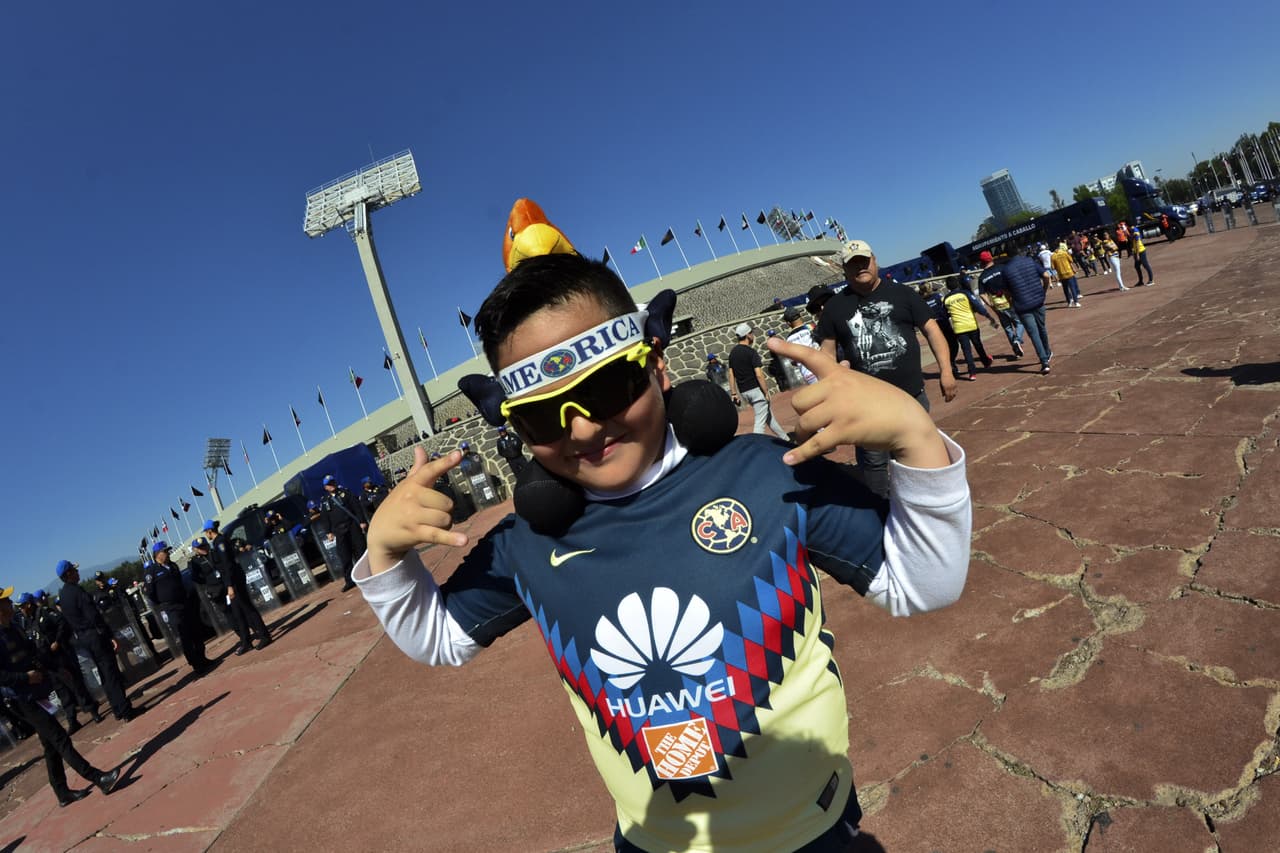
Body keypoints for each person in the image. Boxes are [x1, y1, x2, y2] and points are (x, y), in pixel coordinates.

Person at [353, 251, 971, 852]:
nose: (584, 429)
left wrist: (915, 438)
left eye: (608, 386)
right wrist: (385, 554)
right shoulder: (526, 543)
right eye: (542, 418)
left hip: (812, 831)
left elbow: (923, 583)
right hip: (653, 843)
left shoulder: (767, 474)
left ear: (657, 369)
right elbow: (438, 637)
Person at [814, 239, 958, 498]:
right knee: (874, 463)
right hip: (866, 404)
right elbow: (825, 355)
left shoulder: (902, 293)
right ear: (844, 270)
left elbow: (932, 330)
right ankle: (880, 511)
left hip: (911, 396)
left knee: (917, 450)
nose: (860, 267)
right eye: (852, 264)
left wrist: (946, 370)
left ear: (875, 260)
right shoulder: (835, 307)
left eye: (864, 261)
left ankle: (926, 501)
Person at [1, 587, 121, 808]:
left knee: (50, 745)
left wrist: (54, 668)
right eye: (5, 601)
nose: (9, 603)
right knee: (60, 738)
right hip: (21, 700)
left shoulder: (14, 628)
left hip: (35, 692)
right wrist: (25, 677)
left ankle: (61, 792)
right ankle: (98, 778)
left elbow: (33, 653)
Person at [55, 561, 137, 721]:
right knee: (110, 671)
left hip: (83, 637)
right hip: (95, 635)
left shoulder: (63, 596)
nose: (77, 573)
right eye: (74, 570)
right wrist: (108, 634)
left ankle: (117, 708)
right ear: (68, 574)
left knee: (104, 673)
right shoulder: (78, 592)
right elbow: (93, 615)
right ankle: (125, 709)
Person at [17, 592, 100, 733]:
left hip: (60, 657)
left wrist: (57, 641)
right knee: (62, 691)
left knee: (75, 685)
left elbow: (63, 624)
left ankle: (92, 710)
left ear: (28, 605)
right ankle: (72, 720)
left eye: (22, 606)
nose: (20, 610)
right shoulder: (28, 622)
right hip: (47, 663)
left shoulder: (45, 612)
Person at [143, 542, 212, 674]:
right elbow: (149, 593)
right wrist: (162, 603)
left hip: (184, 602)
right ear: (158, 554)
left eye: (168, 551)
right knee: (184, 636)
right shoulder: (151, 571)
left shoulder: (173, 566)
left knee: (195, 631)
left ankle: (202, 658)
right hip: (170, 607)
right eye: (165, 551)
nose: (168, 553)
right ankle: (196, 664)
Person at [206, 522, 272, 650]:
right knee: (237, 612)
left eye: (206, 532)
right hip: (229, 580)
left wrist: (230, 585)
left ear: (209, 531)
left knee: (247, 608)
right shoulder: (217, 542)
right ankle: (246, 642)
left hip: (234, 580)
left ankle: (264, 635)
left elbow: (227, 565)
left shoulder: (220, 542)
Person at [726, 323, 788, 437]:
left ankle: (785, 438)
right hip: (756, 391)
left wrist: (734, 393)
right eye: (752, 333)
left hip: (744, 392)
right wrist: (765, 392)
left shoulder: (733, 354)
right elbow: (759, 375)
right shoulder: (751, 352)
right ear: (747, 335)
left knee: (768, 417)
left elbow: (731, 374)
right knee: (760, 423)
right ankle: (755, 443)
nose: (753, 335)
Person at [998, 250, 1054, 375]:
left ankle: (1044, 362)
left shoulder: (1006, 270)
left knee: (1033, 333)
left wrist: (1011, 302)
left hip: (1022, 305)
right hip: (1038, 301)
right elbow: (1046, 275)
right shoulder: (1030, 261)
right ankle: (1047, 351)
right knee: (1042, 328)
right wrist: (1043, 291)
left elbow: (1006, 292)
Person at [942, 274, 997, 380]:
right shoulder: (965, 294)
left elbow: (945, 314)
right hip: (971, 324)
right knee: (978, 344)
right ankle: (985, 362)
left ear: (948, 287)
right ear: (957, 284)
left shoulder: (946, 299)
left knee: (966, 350)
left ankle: (972, 372)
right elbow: (978, 306)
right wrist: (989, 317)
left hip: (959, 328)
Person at [976, 251, 1026, 359]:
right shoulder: (1003, 268)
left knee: (1007, 327)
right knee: (1019, 322)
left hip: (997, 304)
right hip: (1009, 300)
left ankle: (1016, 350)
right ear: (991, 259)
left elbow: (982, 294)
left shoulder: (982, 277)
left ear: (981, 262)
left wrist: (991, 305)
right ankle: (1017, 340)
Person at [321, 476, 367, 591]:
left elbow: (356, 507)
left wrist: (362, 521)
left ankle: (365, 575)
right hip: (339, 531)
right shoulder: (325, 501)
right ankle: (349, 580)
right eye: (329, 484)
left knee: (360, 551)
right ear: (325, 487)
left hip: (352, 526)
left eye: (332, 482)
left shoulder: (345, 493)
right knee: (344, 556)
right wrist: (328, 532)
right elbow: (325, 518)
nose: (331, 485)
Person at [781, 305, 819, 386]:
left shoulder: (789, 339)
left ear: (788, 323)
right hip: (822, 367)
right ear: (800, 316)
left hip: (808, 375)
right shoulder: (811, 327)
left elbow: (793, 362)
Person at [1051, 242, 1082, 307]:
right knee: (1072, 287)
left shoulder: (1053, 256)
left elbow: (1053, 267)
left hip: (1061, 274)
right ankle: (1076, 302)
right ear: (1059, 246)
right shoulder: (1064, 253)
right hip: (1069, 272)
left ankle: (1069, 301)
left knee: (1065, 289)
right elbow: (1071, 260)